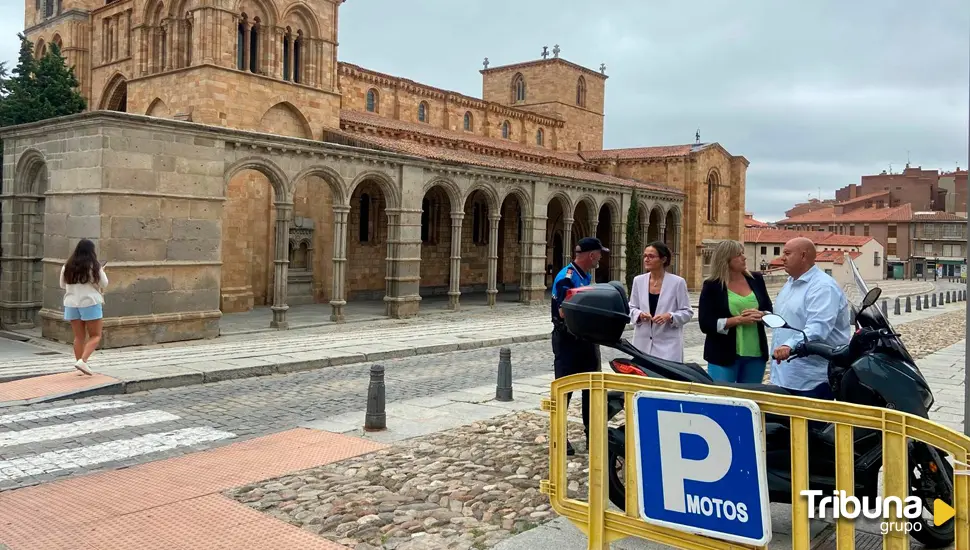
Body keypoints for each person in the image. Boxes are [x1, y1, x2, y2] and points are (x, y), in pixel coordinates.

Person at [770, 237, 852, 398]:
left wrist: (789, 345)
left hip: (811, 379)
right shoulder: (791, 283)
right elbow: (790, 318)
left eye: (787, 253)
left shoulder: (822, 287)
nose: (782, 258)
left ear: (803, 256)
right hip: (785, 374)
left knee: (812, 423)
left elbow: (818, 328)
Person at [551, 236, 608, 456]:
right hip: (568, 340)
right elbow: (564, 311)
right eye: (599, 254)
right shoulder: (567, 277)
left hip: (586, 339)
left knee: (591, 388)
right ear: (591, 254)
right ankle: (558, 437)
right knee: (565, 390)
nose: (600, 258)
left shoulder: (584, 276)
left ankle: (591, 434)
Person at [698, 240, 774, 383]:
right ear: (725, 259)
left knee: (751, 398)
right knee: (722, 399)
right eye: (738, 255)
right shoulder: (712, 286)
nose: (744, 258)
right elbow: (706, 324)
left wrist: (762, 315)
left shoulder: (756, 279)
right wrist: (739, 320)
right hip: (722, 354)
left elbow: (769, 310)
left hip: (756, 355)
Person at [627, 241, 693, 362]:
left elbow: (687, 312)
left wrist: (670, 316)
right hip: (642, 344)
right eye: (645, 256)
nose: (647, 259)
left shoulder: (677, 282)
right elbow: (631, 308)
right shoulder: (638, 281)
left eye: (651, 256)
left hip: (668, 346)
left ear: (663, 259)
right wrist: (640, 315)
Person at [60, 239, 108, 376]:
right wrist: (102, 272)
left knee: (79, 337)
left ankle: (79, 366)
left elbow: (62, 285)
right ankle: (83, 361)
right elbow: (104, 284)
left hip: (71, 303)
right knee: (96, 335)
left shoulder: (67, 266)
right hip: (89, 302)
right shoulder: (94, 266)